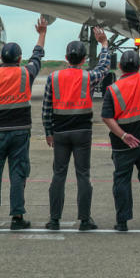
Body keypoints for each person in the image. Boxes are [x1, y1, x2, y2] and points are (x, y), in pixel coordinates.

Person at [0, 18, 48, 231]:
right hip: (20, 132)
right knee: (18, 174)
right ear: (19, 58)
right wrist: (42, 34)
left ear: (1, 58)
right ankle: (17, 217)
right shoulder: (26, 74)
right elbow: (37, 57)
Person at [43, 26, 110, 231]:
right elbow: (104, 68)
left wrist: (48, 132)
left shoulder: (53, 78)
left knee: (59, 175)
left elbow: (47, 107)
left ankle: (54, 219)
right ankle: (84, 219)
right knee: (83, 175)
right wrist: (104, 45)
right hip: (82, 132)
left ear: (66, 58)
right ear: (83, 60)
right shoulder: (88, 77)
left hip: (60, 132)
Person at [101, 21, 140, 232]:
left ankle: (122, 221)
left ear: (120, 67)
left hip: (123, 144)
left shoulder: (113, 89)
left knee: (121, 180)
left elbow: (107, 117)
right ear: (138, 66)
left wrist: (123, 135)